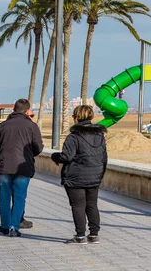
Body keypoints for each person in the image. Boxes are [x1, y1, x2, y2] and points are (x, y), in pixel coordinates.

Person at [51, 105, 107, 245]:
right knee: (92, 205)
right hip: (95, 175)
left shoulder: (74, 136)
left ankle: (80, 236)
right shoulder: (99, 135)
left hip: (76, 177)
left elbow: (66, 157)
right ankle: (94, 235)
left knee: (78, 205)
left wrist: (54, 156)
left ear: (76, 117)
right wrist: (100, 173)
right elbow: (104, 157)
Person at [0, 98, 43, 237]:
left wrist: (1, 154)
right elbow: (38, 147)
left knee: (4, 197)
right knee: (19, 197)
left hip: (5, 165)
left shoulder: (3, 126)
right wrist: (29, 155)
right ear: (27, 111)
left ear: (14, 109)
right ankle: (14, 227)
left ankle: (5, 225)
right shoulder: (32, 126)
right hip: (23, 167)